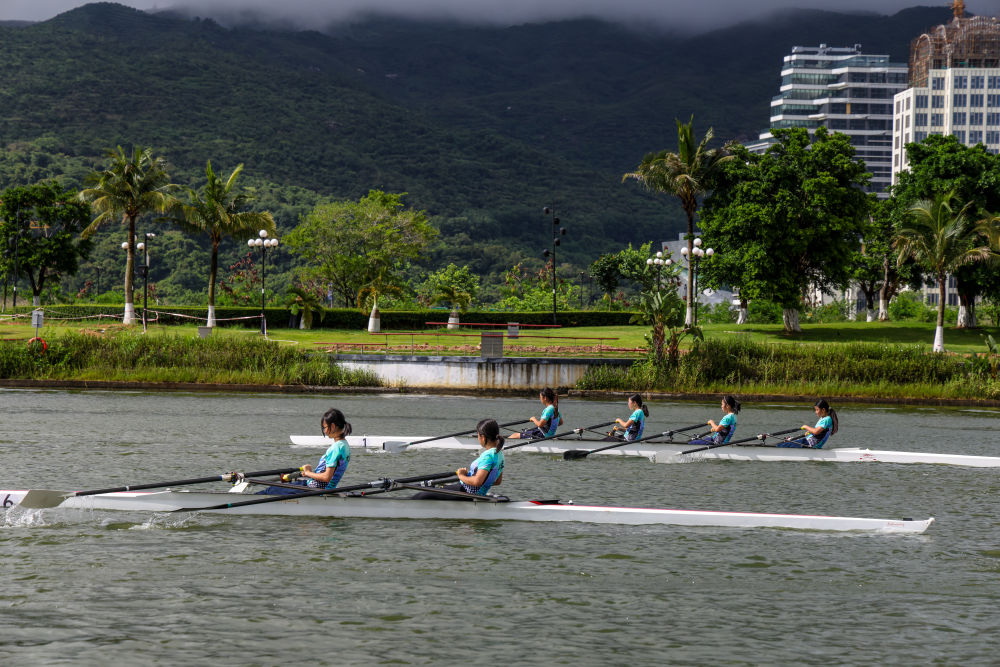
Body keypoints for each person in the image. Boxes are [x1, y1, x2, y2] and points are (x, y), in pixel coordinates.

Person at [260, 408, 352, 494]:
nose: (324, 431)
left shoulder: (336, 448)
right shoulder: (345, 445)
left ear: (332, 426)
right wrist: (309, 473)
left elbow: (326, 477)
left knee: (270, 490)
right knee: (280, 487)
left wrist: (308, 473)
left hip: (313, 489)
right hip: (319, 487)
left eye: (324, 427)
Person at [413, 418, 506, 500]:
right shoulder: (500, 454)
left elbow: (477, 482)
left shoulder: (488, 456)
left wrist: (461, 476)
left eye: (477, 435)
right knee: (436, 487)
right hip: (472, 491)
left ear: (482, 437)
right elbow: (497, 481)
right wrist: (470, 478)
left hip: (467, 492)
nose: (478, 438)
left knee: (422, 495)